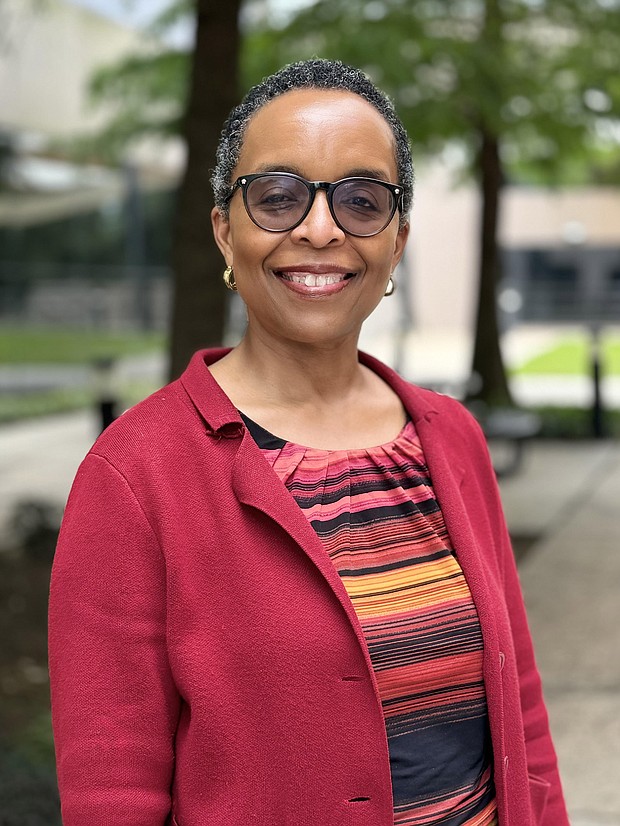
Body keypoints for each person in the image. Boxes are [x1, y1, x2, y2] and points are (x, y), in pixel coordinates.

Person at [49, 59, 569, 826]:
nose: (320, 229)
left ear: (397, 238)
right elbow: (110, 795)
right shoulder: (134, 475)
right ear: (225, 229)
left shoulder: (450, 437)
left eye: (362, 199)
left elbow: (519, 713)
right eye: (278, 196)